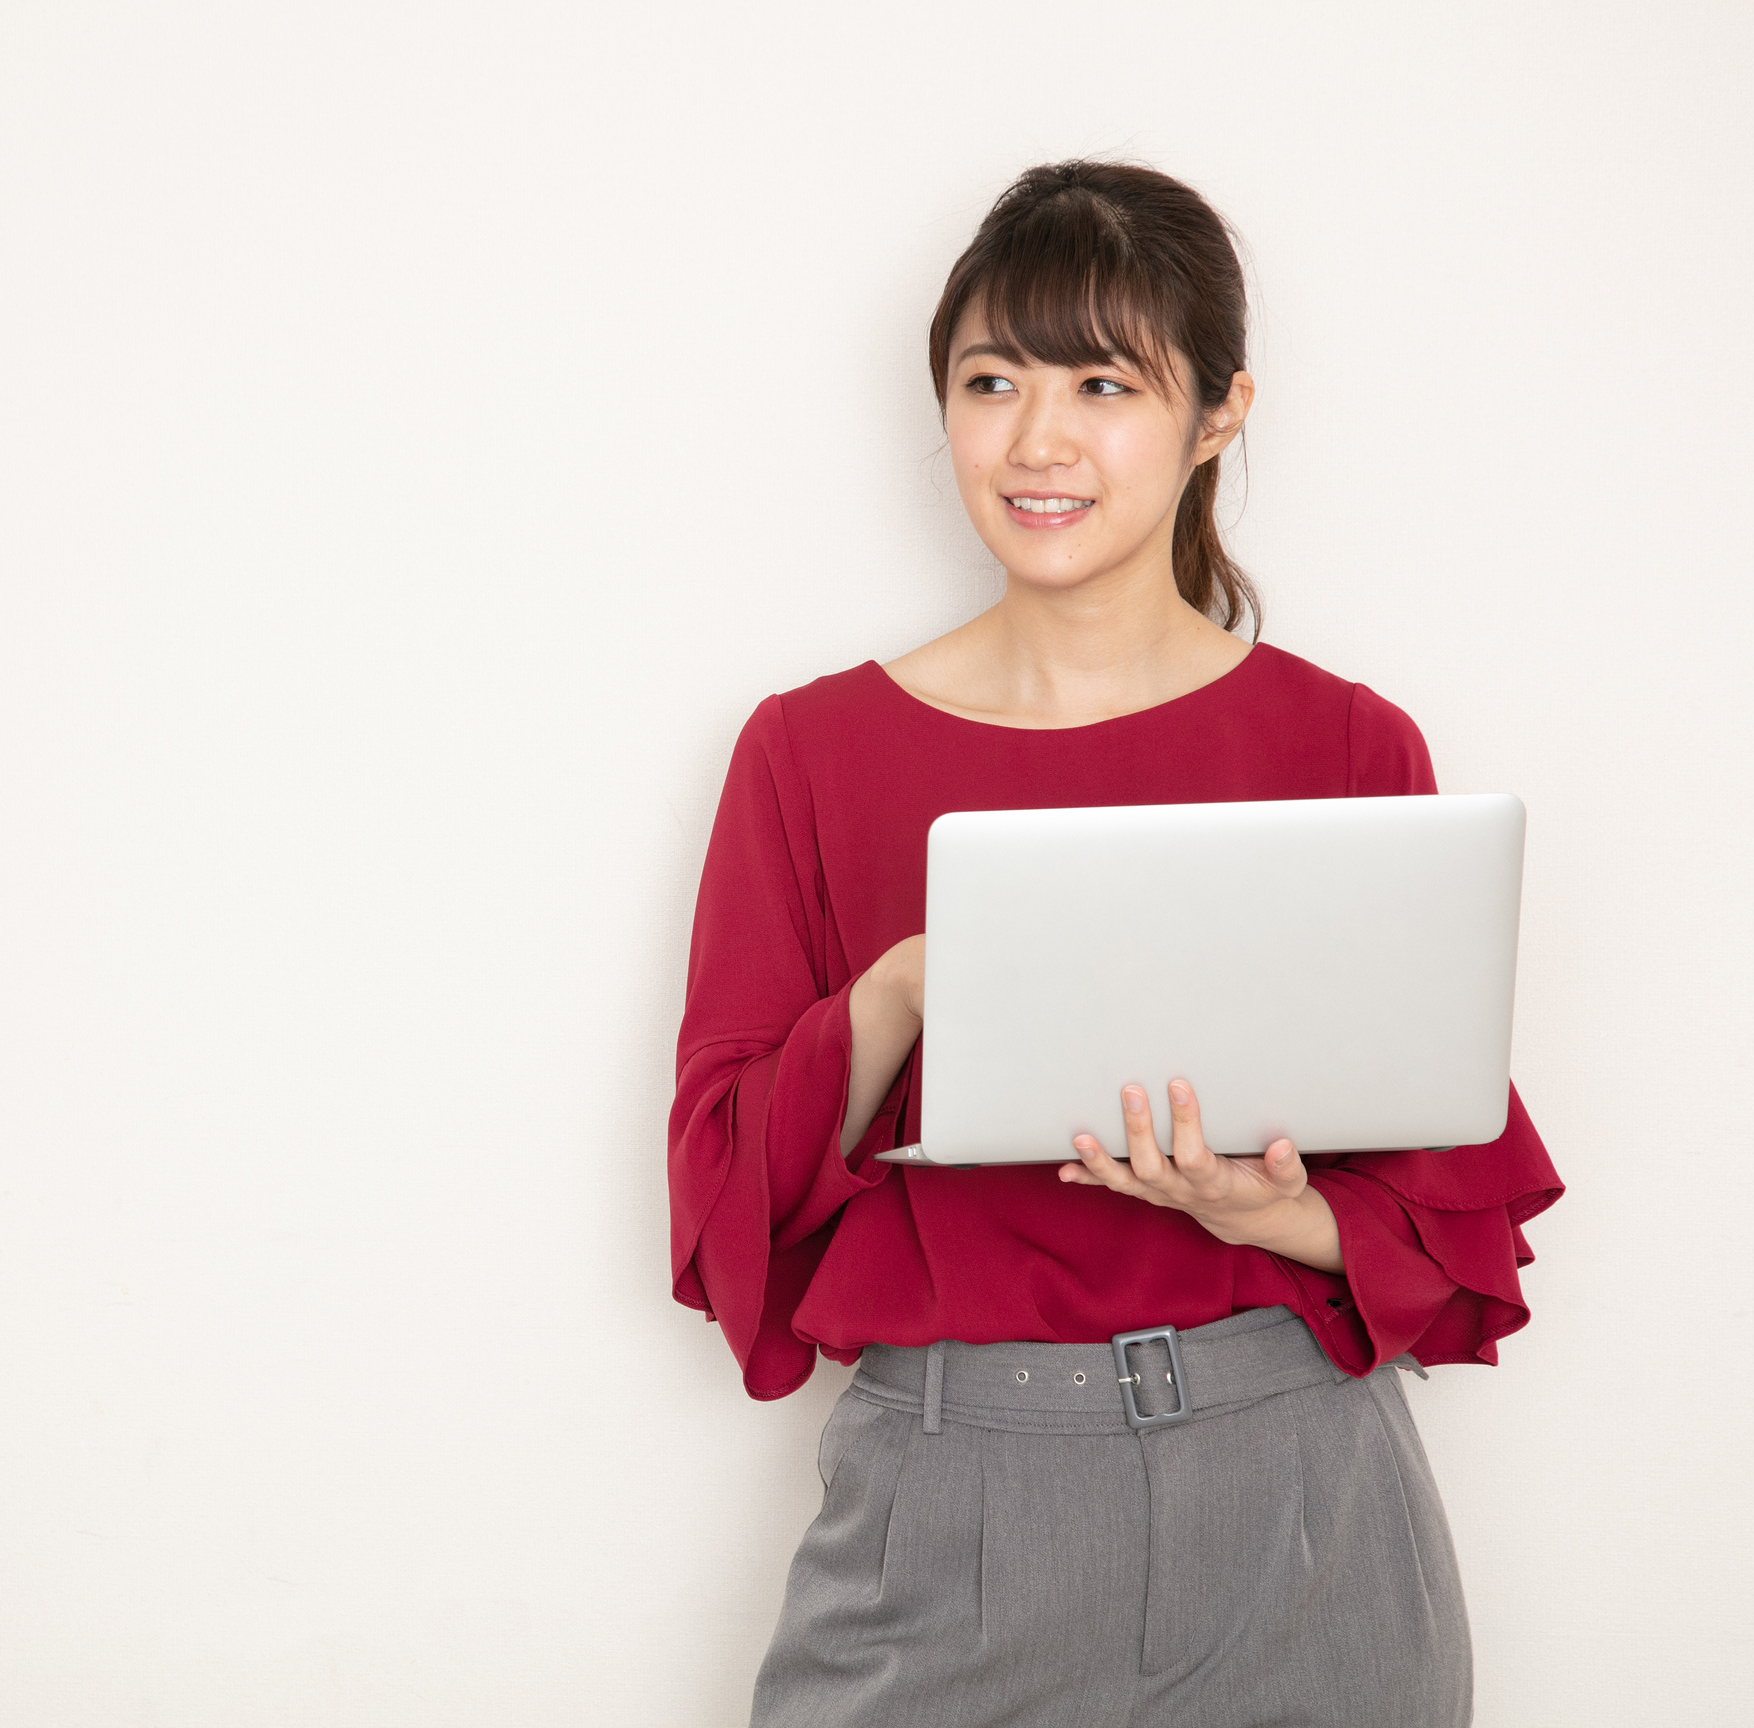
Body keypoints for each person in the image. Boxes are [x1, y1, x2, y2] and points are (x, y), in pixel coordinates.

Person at [668, 160, 1564, 1728]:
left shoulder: (1344, 746)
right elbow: (723, 1203)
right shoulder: (807, 754)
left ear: (1220, 413)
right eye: (991, 379)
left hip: (1298, 1497)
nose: (1038, 440)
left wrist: (1266, 1214)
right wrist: (905, 983)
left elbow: (1454, 1232)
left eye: (1105, 382)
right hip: (952, 1502)